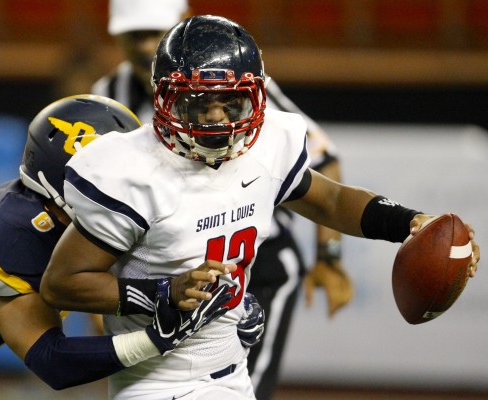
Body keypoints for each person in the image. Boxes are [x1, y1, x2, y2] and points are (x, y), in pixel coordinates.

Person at [41, 15, 480, 400]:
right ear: (164, 98)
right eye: (197, 102)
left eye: (230, 101)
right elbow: (62, 283)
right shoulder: (134, 172)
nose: (216, 118)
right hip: (158, 380)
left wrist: (411, 223)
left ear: (255, 96)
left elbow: (329, 199)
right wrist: (162, 292)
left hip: (233, 371)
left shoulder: (268, 146)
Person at [0, 95, 245, 400]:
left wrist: (225, 313)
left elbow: (125, 299)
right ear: (70, 176)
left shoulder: (71, 223)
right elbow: (53, 362)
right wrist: (161, 338)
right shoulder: (6, 235)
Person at [91, 1, 353, 398]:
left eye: (154, 33)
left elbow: (324, 163)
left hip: (255, 262)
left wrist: (329, 255)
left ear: (180, 27)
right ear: (116, 37)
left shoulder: (235, 87)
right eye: (134, 35)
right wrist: (108, 297)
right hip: (169, 273)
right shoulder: (108, 95)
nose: (146, 46)